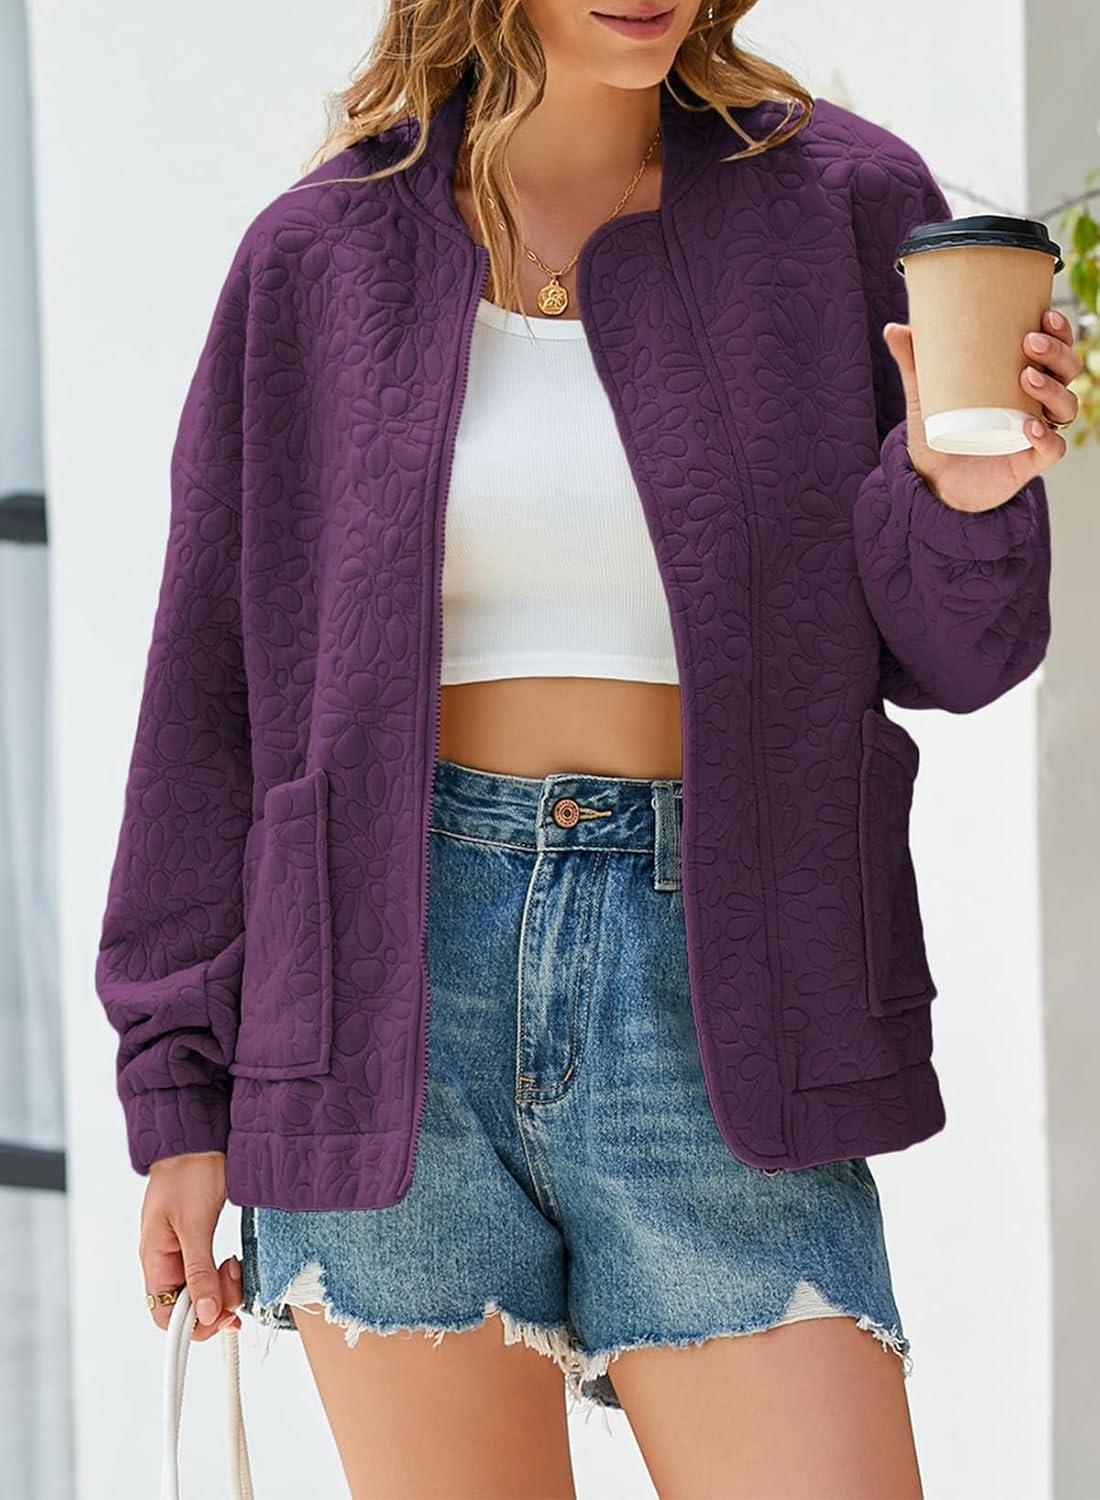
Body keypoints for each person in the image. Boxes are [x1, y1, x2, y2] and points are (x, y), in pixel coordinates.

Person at [95, 2, 1079, 1495]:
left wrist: (965, 493)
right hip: (382, 1009)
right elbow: (207, 693)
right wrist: (177, 1094)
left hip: (725, 981)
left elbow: (964, 658)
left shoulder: (846, 207)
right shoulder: (318, 255)